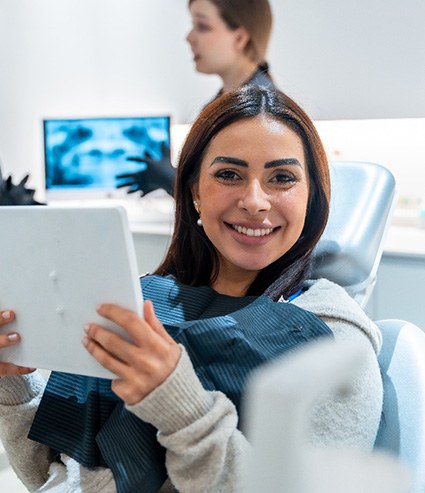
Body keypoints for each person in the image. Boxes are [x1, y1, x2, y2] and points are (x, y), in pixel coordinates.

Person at [0, 86, 383, 493]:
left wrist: (181, 407)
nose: (255, 201)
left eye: (282, 178)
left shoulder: (334, 343)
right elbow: (60, 476)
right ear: (195, 191)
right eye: (229, 175)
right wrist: (13, 384)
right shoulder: (142, 302)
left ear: (312, 198)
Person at [116, 0, 275, 197]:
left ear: (240, 37)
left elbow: (236, 200)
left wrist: (172, 181)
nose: (189, 38)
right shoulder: (226, 102)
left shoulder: (259, 111)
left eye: (202, 26)